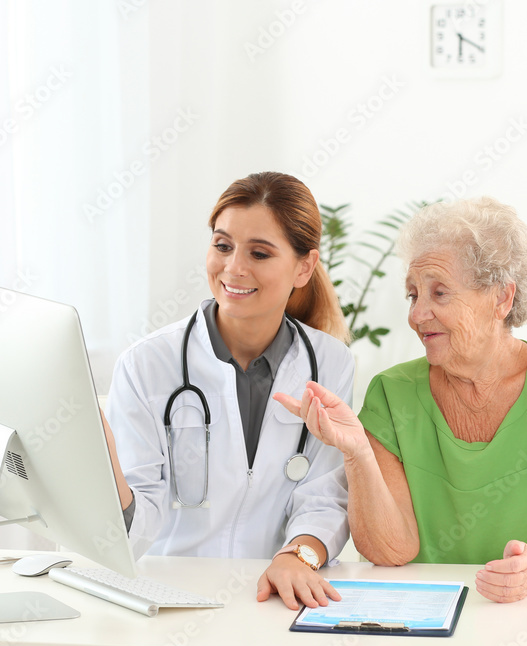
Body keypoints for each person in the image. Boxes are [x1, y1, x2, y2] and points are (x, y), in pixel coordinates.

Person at [276, 196, 527, 603]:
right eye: (413, 295)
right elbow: (390, 551)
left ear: (502, 299)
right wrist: (356, 452)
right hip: (421, 613)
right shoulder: (392, 394)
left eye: (440, 293)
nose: (417, 315)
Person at [102, 171, 354, 610]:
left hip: (271, 596)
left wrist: (297, 557)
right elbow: (138, 525)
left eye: (259, 253)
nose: (233, 267)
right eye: (222, 246)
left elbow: (325, 496)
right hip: (167, 596)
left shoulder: (331, 363)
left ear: (304, 267)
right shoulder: (145, 364)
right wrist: (106, 471)